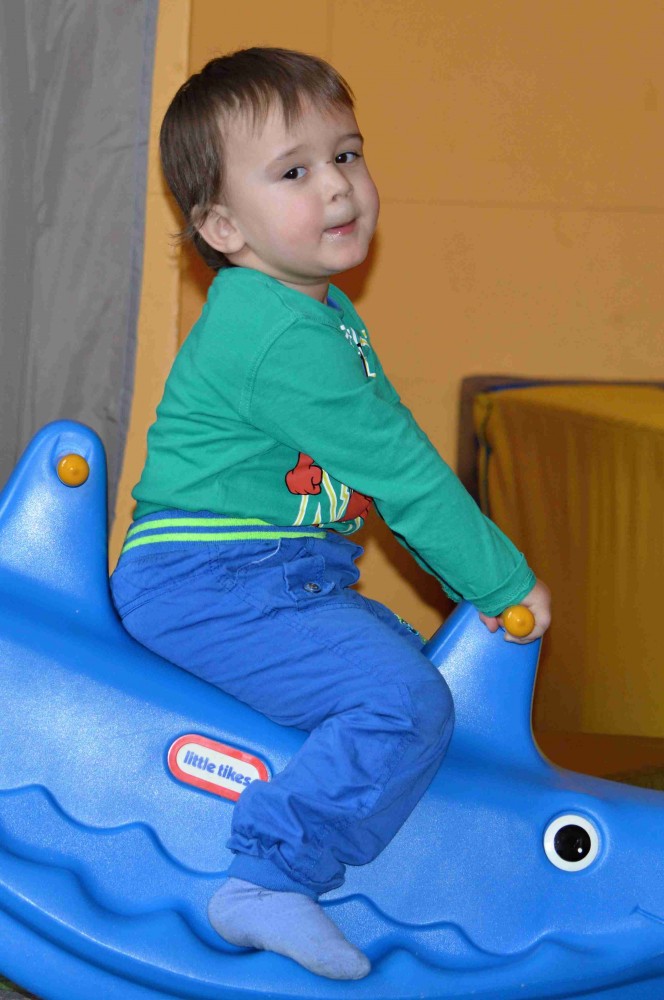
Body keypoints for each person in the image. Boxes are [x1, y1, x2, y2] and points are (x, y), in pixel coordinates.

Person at [110, 47, 551, 981]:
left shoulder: (318, 312)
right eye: (295, 172)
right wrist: (502, 584)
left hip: (274, 575)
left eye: (346, 154)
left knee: (413, 672)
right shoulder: (276, 332)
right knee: (401, 697)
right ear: (223, 226)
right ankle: (269, 877)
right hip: (211, 582)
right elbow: (403, 473)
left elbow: (384, 460)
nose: (339, 186)